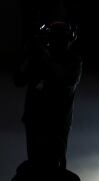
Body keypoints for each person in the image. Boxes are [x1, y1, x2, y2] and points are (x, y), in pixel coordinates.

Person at [14, 21, 82, 167]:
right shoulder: (38, 59)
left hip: (57, 122)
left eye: (60, 39)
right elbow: (18, 80)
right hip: (35, 119)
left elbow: (66, 81)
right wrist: (27, 56)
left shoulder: (73, 61)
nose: (56, 43)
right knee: (34, 162)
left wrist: (45, 58)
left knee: (55, 164)